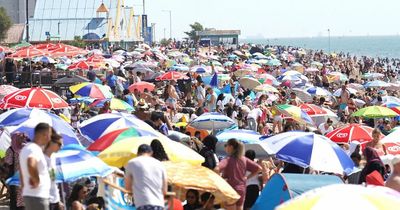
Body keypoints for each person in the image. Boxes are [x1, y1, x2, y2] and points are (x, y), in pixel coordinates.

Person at [215, 139, 261, 210]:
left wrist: (220, 181)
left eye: (226, 145)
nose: (225, 147)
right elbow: (258, 168)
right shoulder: (244, 159)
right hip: (241, 189)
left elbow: (217, 169)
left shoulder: (228, 159)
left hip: (230, 188)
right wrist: (246, 177)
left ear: (231, 147)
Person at [19, 123, 52, 210]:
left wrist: (25, 187)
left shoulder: (25, 149)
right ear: (42, 134)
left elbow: (21, 172)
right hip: (38, 196)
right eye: (49, 135)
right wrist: (36, 180)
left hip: (30, 195)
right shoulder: (34, 149)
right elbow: (31, 163)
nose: (49, 138)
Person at [124, 144, 168, 210]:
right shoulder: (160, 164)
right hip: (159, 205)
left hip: (143, 203)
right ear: (151, 153)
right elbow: (164, 190)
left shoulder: (132, 163)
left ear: (138, 153)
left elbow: (128, 188)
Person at [4, 132, 29, 210]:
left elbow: (8, 162)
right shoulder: (28, 148)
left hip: (16, 177)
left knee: (16, 198)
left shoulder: (11, 149)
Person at [45, 129, 64, 210]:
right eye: (59, 144)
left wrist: (58, 200)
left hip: (53, 200)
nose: (61, 147)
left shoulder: (53, 157)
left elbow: (53, 180)